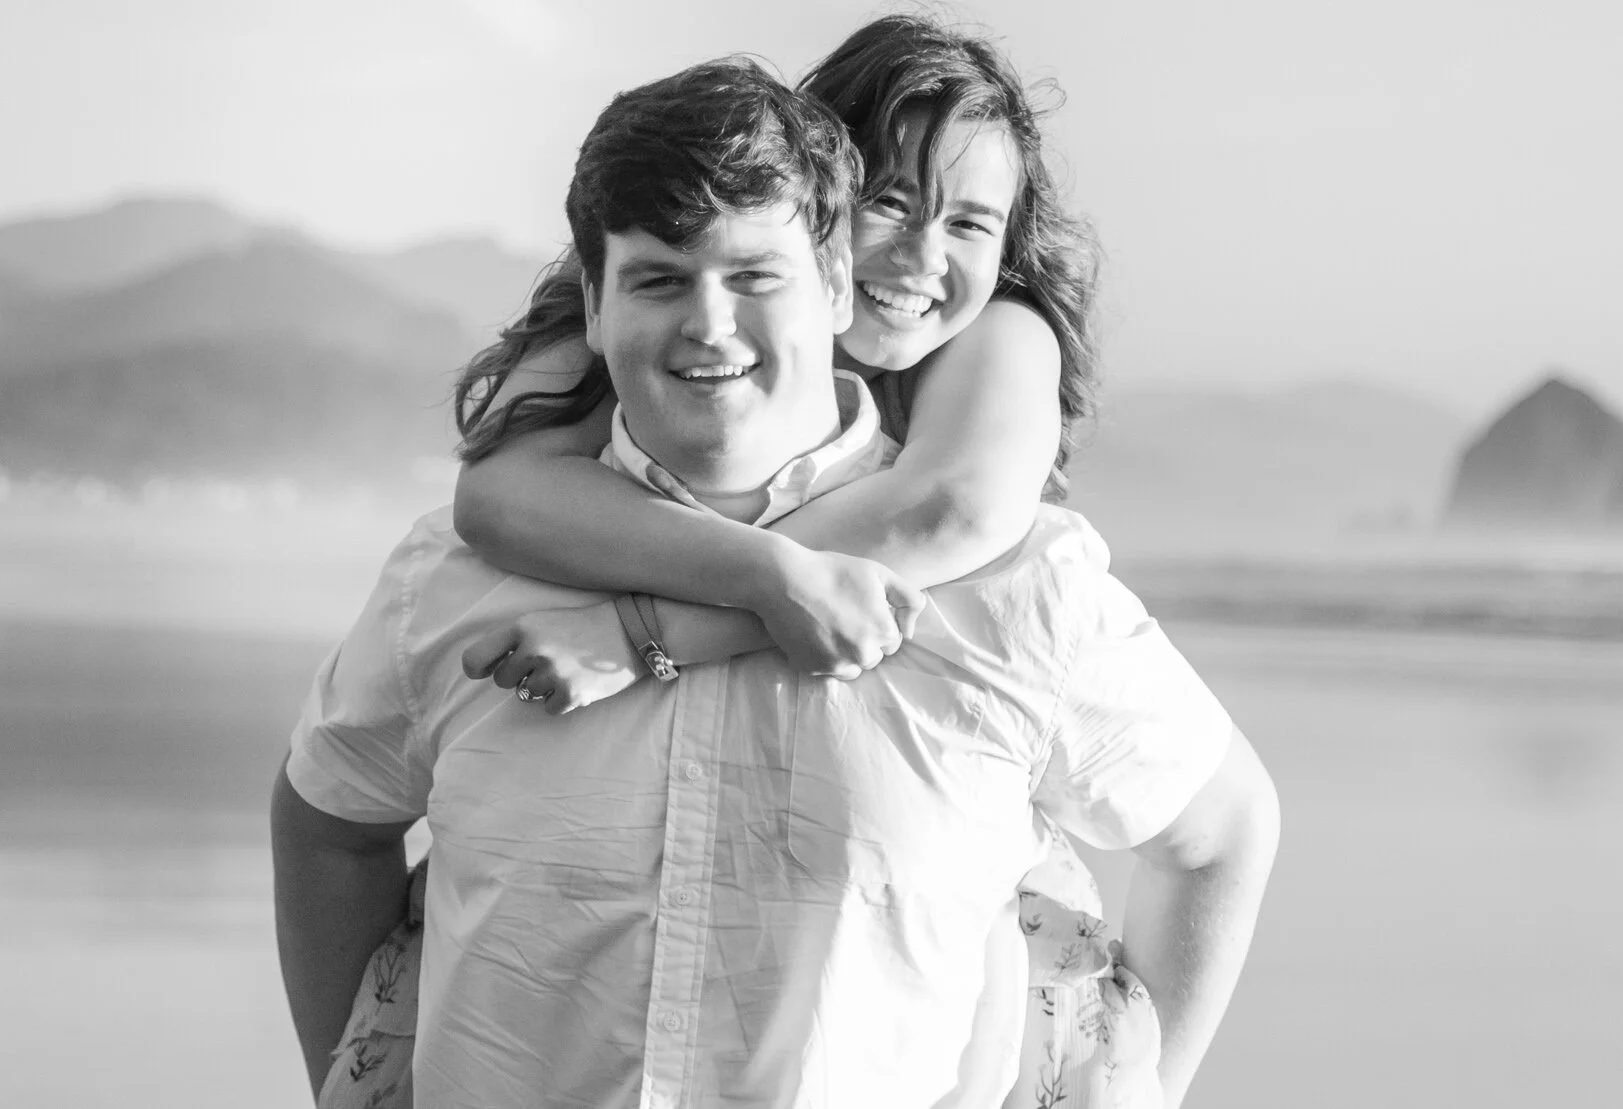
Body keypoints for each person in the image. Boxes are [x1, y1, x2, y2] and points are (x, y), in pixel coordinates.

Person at [272, 57, 1278, 1109]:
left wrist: (1129, 1093)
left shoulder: (1021, 573)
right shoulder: (457, 574)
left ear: (828, 272)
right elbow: (328, 820)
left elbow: (1220, 833)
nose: (709, 323)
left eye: (756, 275)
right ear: (595, 297)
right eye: (661, 278)